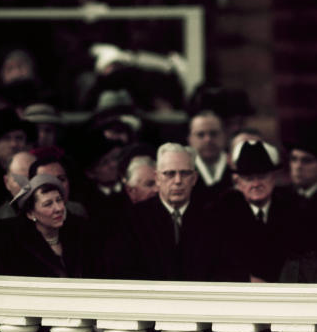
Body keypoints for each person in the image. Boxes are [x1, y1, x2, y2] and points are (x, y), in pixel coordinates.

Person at [109, 143, 219, 282]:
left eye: (185, 173)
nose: (178, 181)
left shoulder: (213, 218)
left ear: (194, 178)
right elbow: (125, 272)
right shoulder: (133, 220)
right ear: (157, 178)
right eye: (170, 174)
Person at [218, 141, 299, 282]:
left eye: (262, 176)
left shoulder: (293, 211)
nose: (256, 184)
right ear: (238, 183)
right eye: (249, 178)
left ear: (274, 178)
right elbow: (219, 262)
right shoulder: (222, 214)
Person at [0, 175, 97, 278]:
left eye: (59, 200)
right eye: (48, 204)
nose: (58, 208)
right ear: (31, 214)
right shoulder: (15, 242)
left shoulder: (79, 231)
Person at [187, 110, 230, 204]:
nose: (208, 139)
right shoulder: (184, 171)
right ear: (190, 139)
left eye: (213, 133)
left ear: (225, 135)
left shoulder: (236, 167)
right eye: (200, 135)